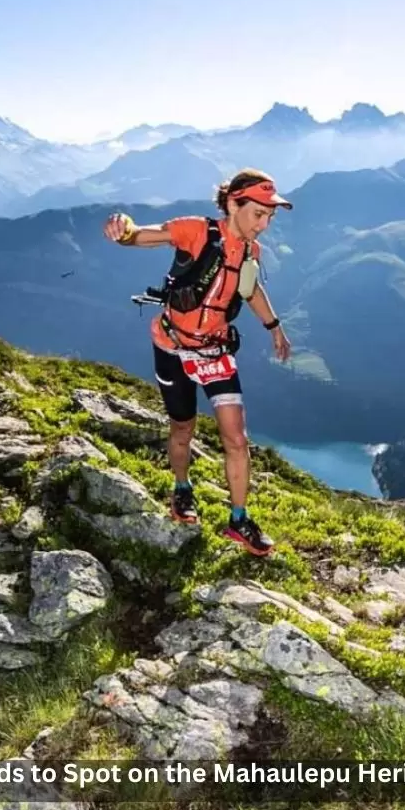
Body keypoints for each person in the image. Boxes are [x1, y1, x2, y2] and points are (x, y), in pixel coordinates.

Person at [102, 168, 292, 556]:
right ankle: (181, 490)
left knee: (236, 440)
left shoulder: (251, 253)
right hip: (170, 345)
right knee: (182, 428)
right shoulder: (197, 231)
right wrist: (122, 229)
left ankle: (239, 520)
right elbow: (141, 236)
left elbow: (251, 290)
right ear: (233, 204)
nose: (265, 224)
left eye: (270, 217)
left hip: (214, 351)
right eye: (259, 213)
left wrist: (274, 327)